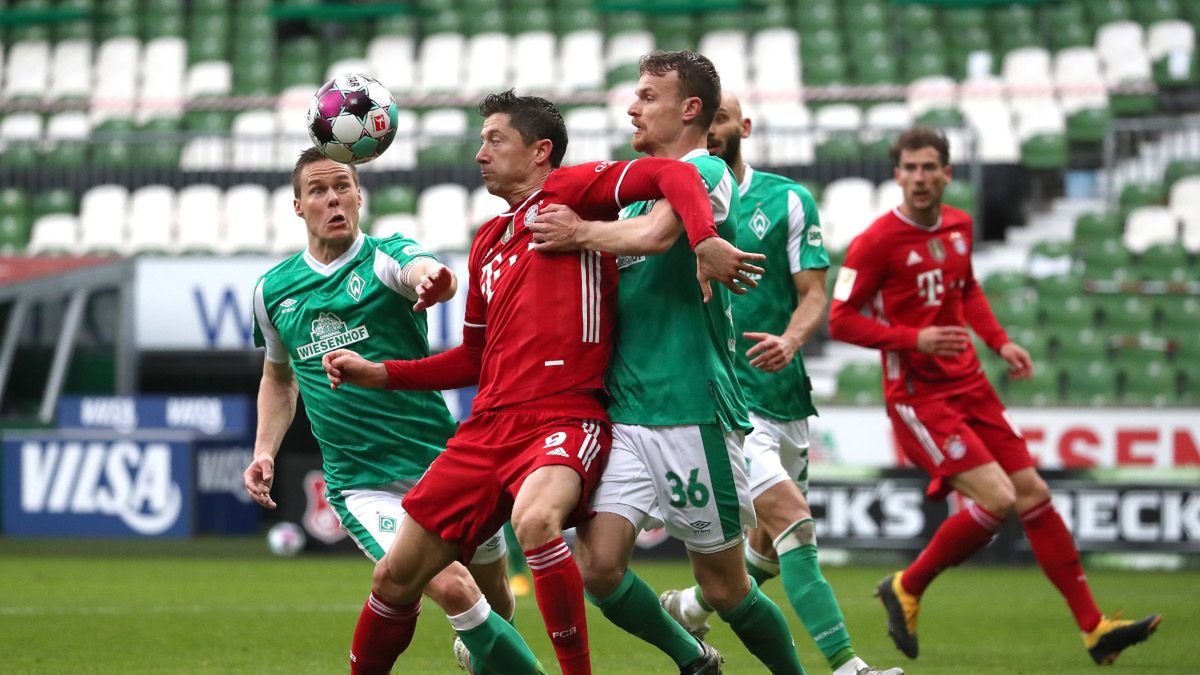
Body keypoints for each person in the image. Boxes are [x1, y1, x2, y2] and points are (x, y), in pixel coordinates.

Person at [320, 90, 757, 675]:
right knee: (393, 576)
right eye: (480, 142)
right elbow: (474, 359)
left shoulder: (572, 193)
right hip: (486, 429)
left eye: (494, 140)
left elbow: (677, 176)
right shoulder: (486, 242)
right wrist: (383, 374)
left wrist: (703, 240)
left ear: (540, 151)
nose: (480, 154)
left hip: (564, 417)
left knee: (535, 521)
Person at [827, 127, 1162, 665]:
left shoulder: (960, 225)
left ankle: (1094, 628)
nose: (919, 177)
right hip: (919, 398)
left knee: (1033, 495)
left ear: (946, 174)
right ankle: (908, 584)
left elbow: (967, 289)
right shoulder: (876, 242)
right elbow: (840, 320)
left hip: (971, 386)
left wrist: (1001, 342)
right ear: (897, 175)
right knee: (999, 499)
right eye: (909, 168)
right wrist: (916, 338)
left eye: (928, 167)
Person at [529, 51, 805, 675]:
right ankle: (693, 659)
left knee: (727, 587)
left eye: (648, 96)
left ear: (689, 109)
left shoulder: (705, 169)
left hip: (689, 407)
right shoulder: (637, 186)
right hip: (626, 410)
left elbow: (656, 237)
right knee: (598, 569)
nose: (633, 106)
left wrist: (577, 232)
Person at [243, 147, 545, 675]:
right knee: (453, 586)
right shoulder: (273, 292)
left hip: (443, 464)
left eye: (342, 187)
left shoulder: (385, 257)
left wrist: (436, 280)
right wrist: (264, 450)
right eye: (318, 190)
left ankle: (488, 659)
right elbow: (278, 376)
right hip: (363, 482)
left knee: (497, 598)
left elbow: (425, 270)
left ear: (360, 196)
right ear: (297, 205)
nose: (332, 198)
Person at [655, 91, 903, 675]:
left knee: (768, 547)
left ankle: (689, 607)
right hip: (729, 397)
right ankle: (847, 666)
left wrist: (791, 341)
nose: (710, 128)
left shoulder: (788, 200)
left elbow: (814, 293)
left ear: (744, 125)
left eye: (719, 118)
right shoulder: (673, 194)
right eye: (702, 117)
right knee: (793, 522)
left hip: (785, 393)